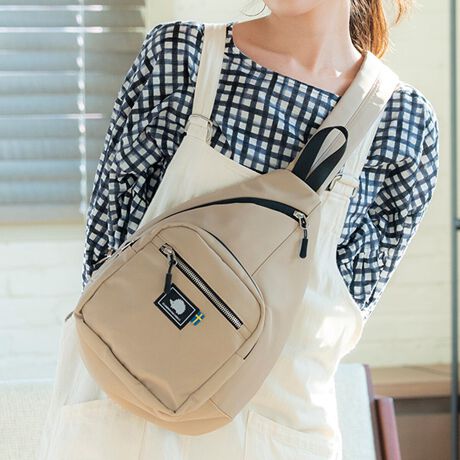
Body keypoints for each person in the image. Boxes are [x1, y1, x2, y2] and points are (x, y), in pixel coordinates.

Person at [39, 1, 439, 459]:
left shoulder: (402, 124)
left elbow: (331, 323)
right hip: (121, 420)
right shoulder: (181, 56)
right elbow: (105, 264)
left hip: (270, 435)